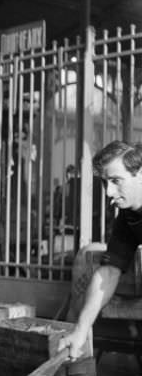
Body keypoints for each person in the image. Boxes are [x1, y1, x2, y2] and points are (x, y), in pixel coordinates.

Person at [59, 141, 142, 361]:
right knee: (87, 256)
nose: (109, 192)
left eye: (116, 181)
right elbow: (109, 272)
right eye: (106, 183)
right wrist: (81, 329)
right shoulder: (127, 216)